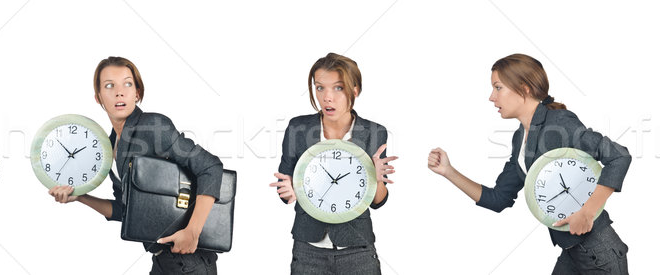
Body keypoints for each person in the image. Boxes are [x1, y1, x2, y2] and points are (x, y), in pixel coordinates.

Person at [427, 53, 630, 274]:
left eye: (498, 88)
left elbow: (619, 157)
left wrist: (588, 212)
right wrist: (449, 172)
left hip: (599, 253)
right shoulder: (519, 139)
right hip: (573, 251)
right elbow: (499, 198)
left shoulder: (558, 122)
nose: (491, 97)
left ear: (524, 88)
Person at [48, 56, 223, 274]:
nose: (119, 92)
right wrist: (80, 196)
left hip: (190, 260)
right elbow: (127, 211)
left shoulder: (154, 126)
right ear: (98, 97)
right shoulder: (111, 145)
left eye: (127, 84)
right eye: (109, 86)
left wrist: (192, 232)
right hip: (162, 260)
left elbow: (210, 167)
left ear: (137, 93)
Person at [270, 53, 397, 274]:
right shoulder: (298, 128)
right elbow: (285, 187)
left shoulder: (374, 132)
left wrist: (375, 179)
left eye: (338, 88)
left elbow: (377, 202)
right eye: (320, 88)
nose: (327, 97)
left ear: (354, 90)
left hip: (357, 249)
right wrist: (288, 191)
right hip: (308, 249)